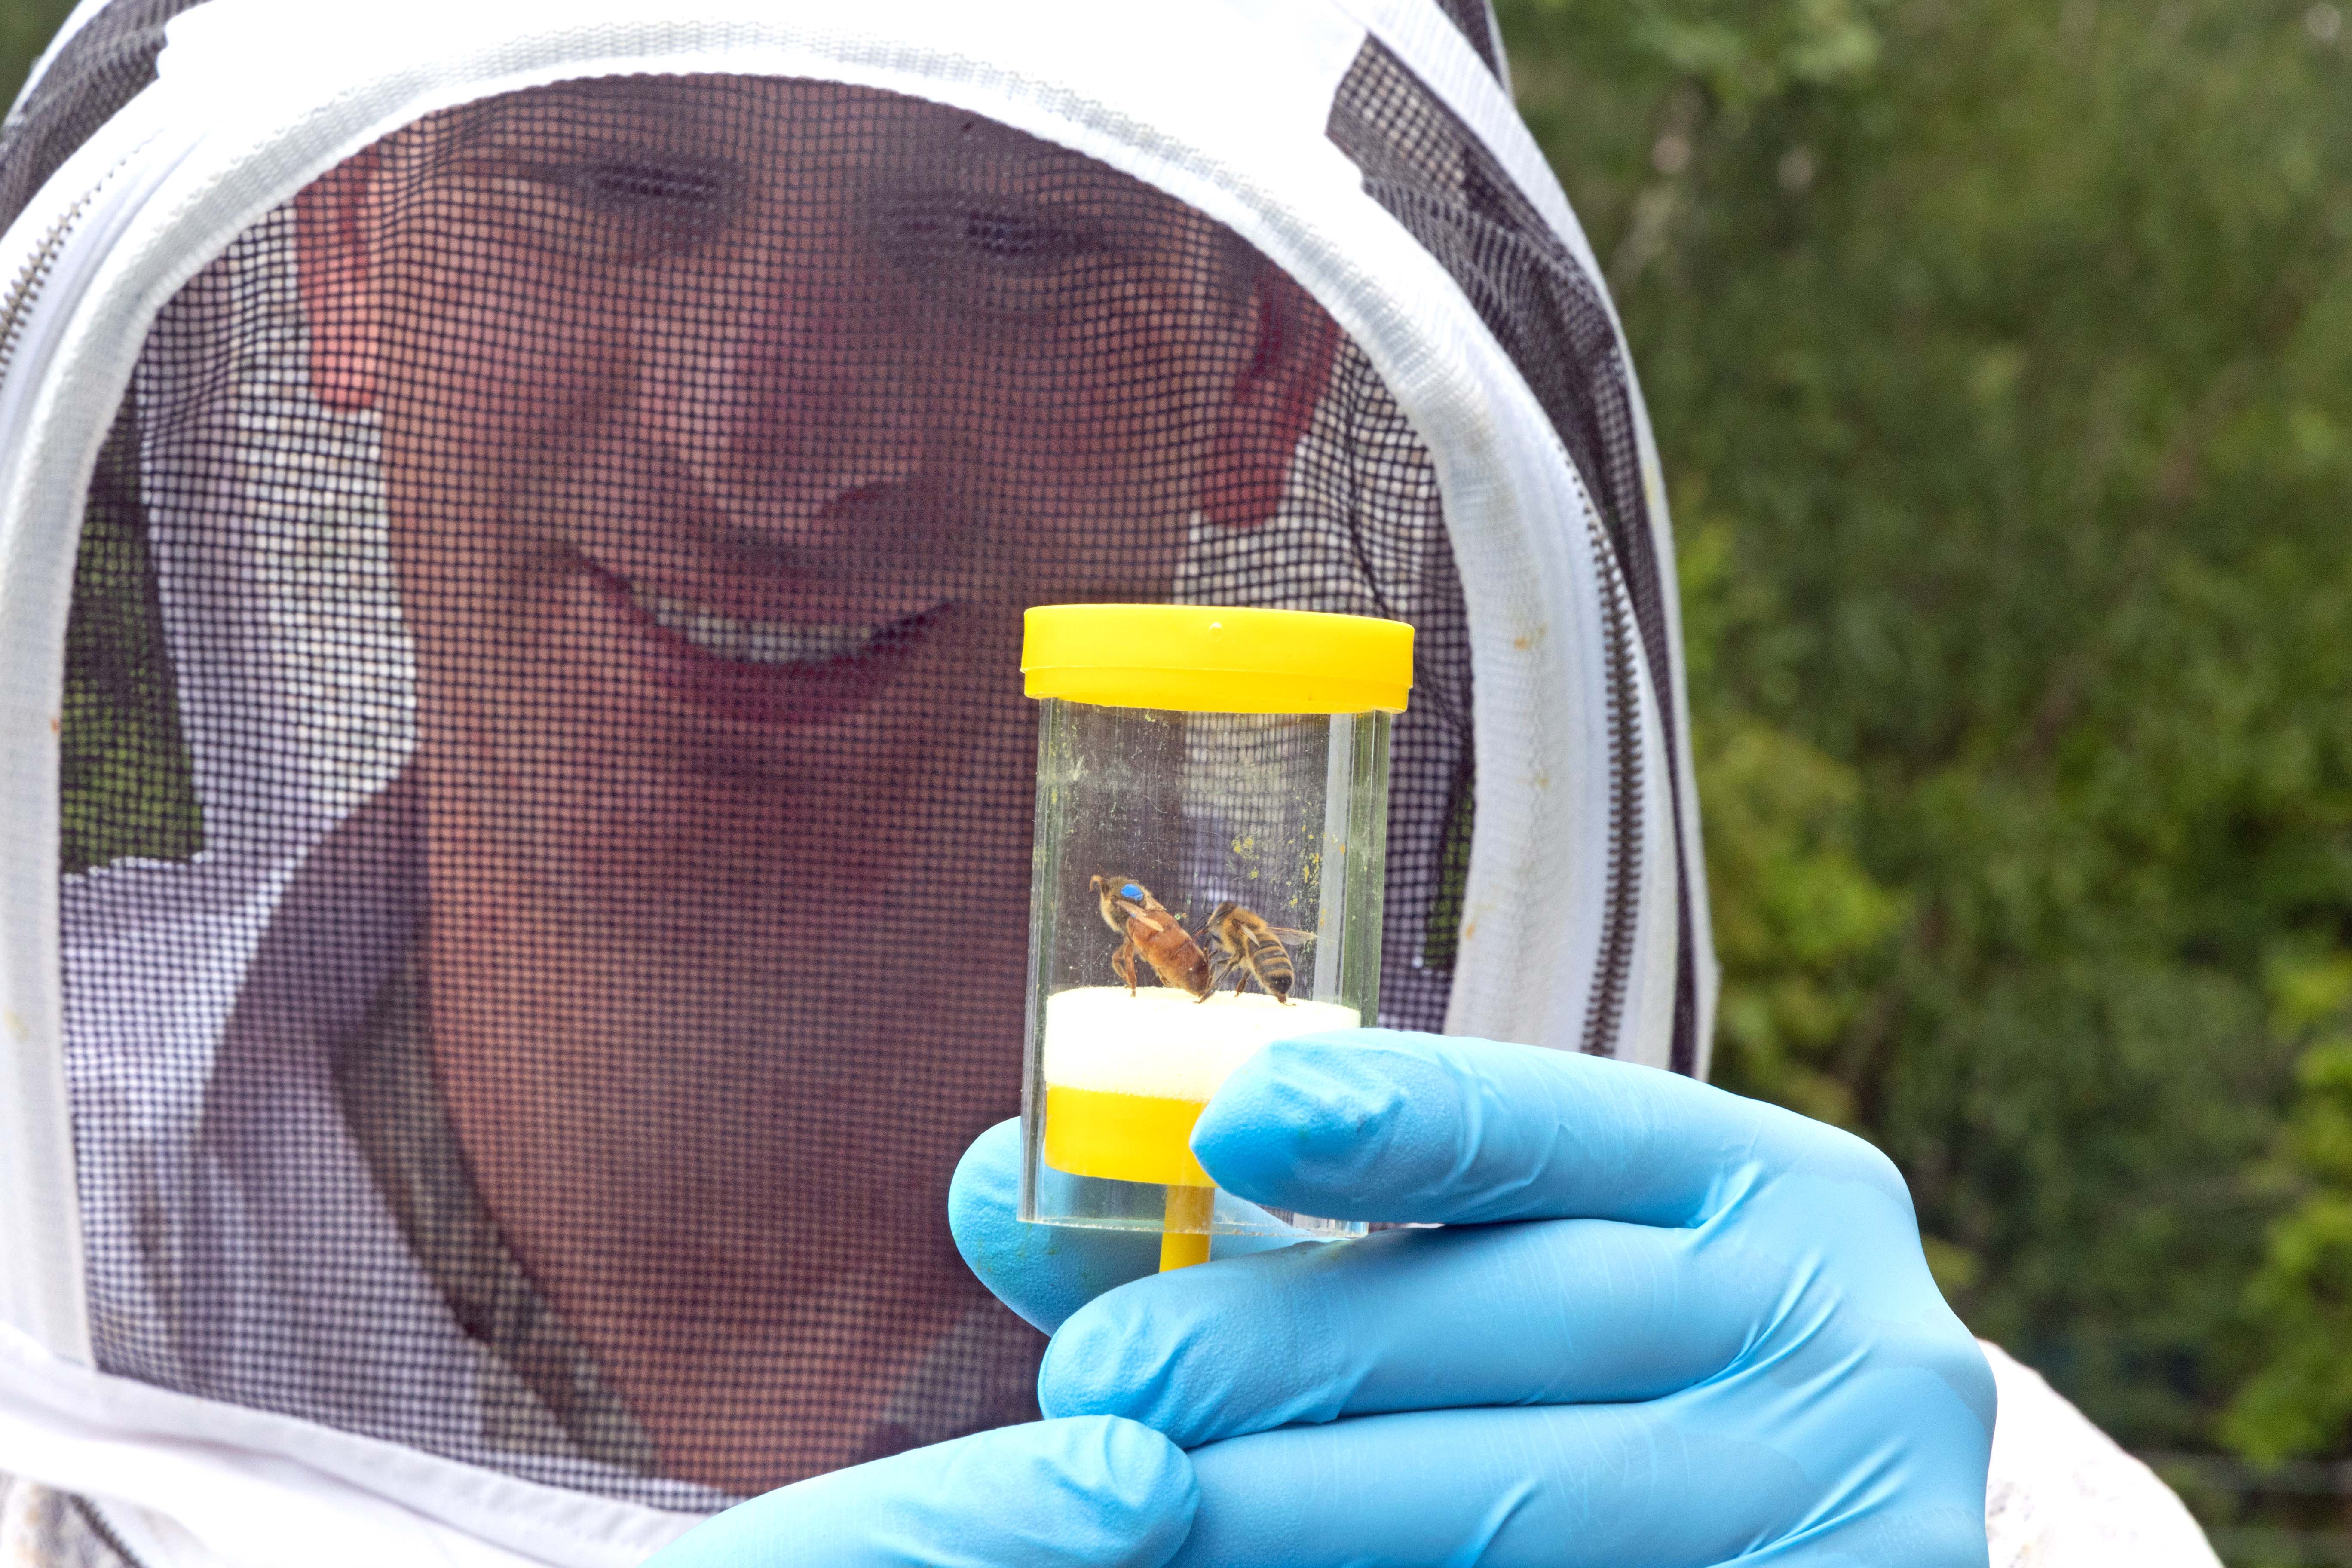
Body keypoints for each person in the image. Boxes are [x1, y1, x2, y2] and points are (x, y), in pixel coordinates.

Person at [0, 2, 2217, 1564]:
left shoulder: (1783, 1475)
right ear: (348, 255)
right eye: (614, 185)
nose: (771, 432)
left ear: (1261, 367)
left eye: (1010, 235)